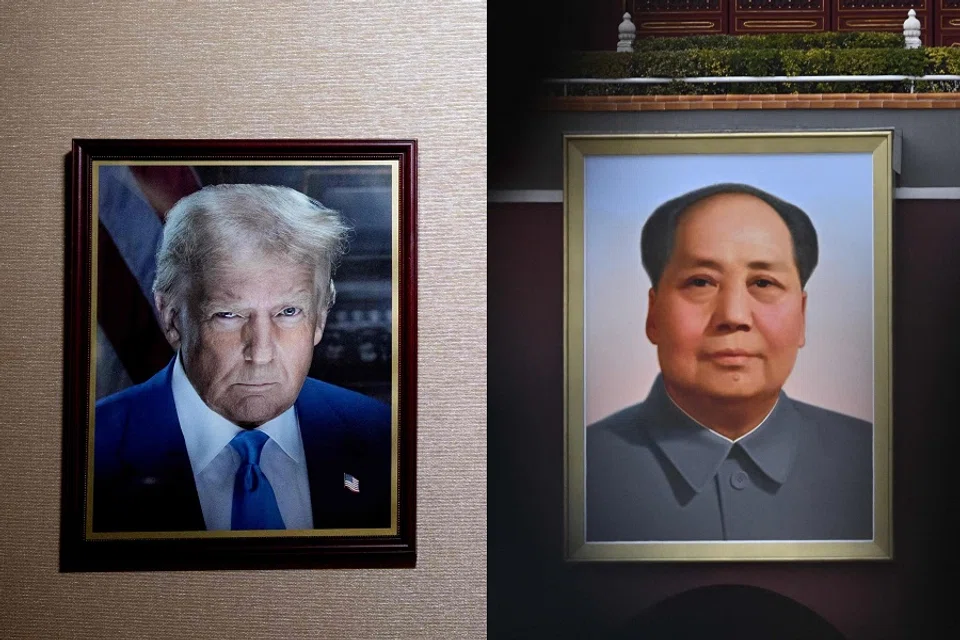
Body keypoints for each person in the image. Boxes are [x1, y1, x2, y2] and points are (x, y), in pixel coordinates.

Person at [94, 184, 392, 533]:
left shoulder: (382, 438)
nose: (261, 353)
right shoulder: (88, 452)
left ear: (321, 317)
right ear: (172, 318)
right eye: (229, 315)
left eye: (289, 311)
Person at [586, 183, 872, 542]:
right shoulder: (574, 471)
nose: (734, 315)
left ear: (801, 315)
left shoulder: (879, 464)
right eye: (701, 282)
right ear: (653, 314)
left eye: (764, 283)